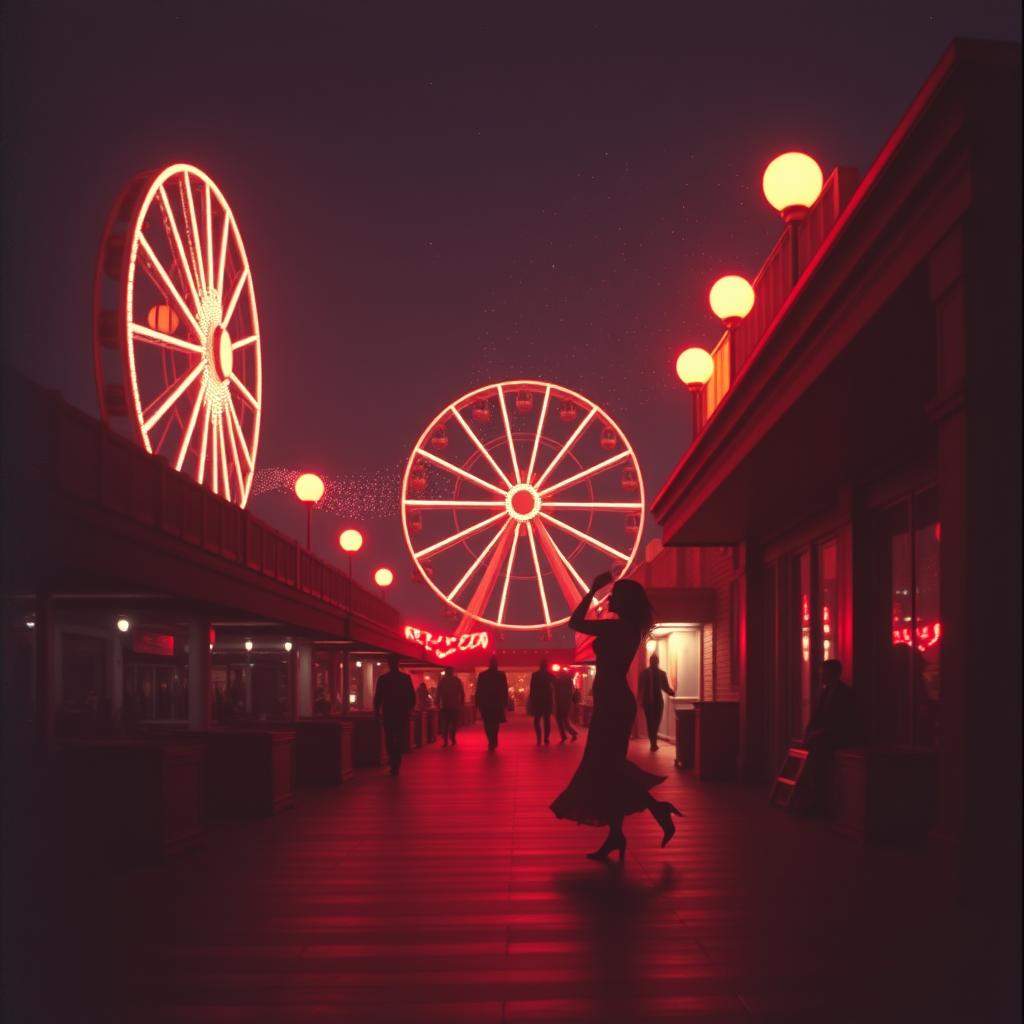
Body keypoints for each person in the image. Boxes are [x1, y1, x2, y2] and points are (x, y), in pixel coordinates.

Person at [551, 573, 682, 861]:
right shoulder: (628, 628)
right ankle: (619, 834)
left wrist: (592, 589)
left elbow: (575, 621)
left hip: (612, 702)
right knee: (609, 768)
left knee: (605, 766)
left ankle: (646, 817)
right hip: (614, 700)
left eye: (615, 595)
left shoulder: (619, 628)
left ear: (626, 601)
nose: (609, 599)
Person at [800, 659, 858, 812]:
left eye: (824, 673)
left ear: (834, 674)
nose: (821, 676)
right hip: (823, 737)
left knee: (821, 766)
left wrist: (819, 733)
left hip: (836, 739)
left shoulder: (845, 693)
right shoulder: (825, 692)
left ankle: (821, 801)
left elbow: (843, 720)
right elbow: (817, 716)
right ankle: (814, 798)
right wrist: (809, 731)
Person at [373, 654, 415, 776]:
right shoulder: (405, 678)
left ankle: (393, 760)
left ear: (389, 663)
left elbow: (378, 697)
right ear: (398, 663)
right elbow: (411, 696)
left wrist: (376, 711)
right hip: (401, 713)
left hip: (388, 712)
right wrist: (409, 709)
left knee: (389, 738)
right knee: (399, 737)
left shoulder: (383, 679)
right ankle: (396, 760)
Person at [637, 653, 675, 751]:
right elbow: (640, 688)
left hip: (658, 702)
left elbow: (665, 687)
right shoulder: (644, 673)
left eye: (655, 661)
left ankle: (653, 741)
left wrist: (671, 692)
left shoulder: (662, 674)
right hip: (647, 703)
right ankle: (653, 743)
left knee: (656, 722)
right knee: (650, 723)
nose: (653, 662)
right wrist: (639, 700)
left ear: (657, 662)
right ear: (650, 661)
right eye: (652, 661)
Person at [474, 656, 509, 750]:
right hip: (497, 703)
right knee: (495, 723)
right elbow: (504, 690)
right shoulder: (501, 675)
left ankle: (491, 740)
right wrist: (505, 702)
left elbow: (479, 690)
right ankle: (493, 739)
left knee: (487, 723)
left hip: (486, 703)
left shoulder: (483, 675)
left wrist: (477, 703)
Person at [527, 659, 555, 745]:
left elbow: (532, 689)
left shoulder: (535, 675)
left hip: (538, 700)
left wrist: (531, 700)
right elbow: (555, 687)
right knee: (547, 720)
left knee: (537, 720)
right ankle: (546, 738)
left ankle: (539, 737)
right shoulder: (550, 675)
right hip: (547, 700)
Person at [437, 668, 465, 747]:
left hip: (445, 706)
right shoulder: (457, 681)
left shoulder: (442, 681)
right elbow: (462, 692)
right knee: (454, 724)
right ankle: (452, 737)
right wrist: (461, 703)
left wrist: (438, 703)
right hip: (454, 706)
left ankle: (445, 741)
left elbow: (438, 693)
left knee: (445, 724)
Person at [552, 668, 579, 743]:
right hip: (566, 703)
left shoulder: (558, 681)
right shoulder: (569, 681)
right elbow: (571, 692)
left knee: (560, 720)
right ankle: (572, 733)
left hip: (560, 703)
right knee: (565, 720)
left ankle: (566, 735)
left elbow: (554, 689)